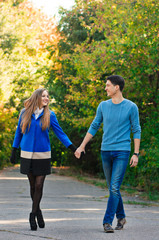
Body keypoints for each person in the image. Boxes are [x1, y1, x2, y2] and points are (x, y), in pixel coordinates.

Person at [75, 75, 141, 233]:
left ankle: (106, 222)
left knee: (113, 188)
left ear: (116, 87)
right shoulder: (103, 106)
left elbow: (136, 129)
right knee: (113, 188)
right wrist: (82, 146)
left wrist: (136, 153)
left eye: (108, 85)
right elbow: (94, 126)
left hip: (122, 152)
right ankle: (122, 217)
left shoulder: (131, 107)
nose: (105, 88)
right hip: (105, 151)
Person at [10, 88, 76, 231]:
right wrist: (14, 150)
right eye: (44, 96)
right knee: (33, 186)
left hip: (43, 155)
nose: (46, 98)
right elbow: (18, 133)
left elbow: (60, 133)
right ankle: (38, 212)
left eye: (48, 96)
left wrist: (73, 148)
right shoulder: (24, 113)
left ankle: (32, 214)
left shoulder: (50, 115)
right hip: (27, 154)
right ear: (37, 97)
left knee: (39, 186)